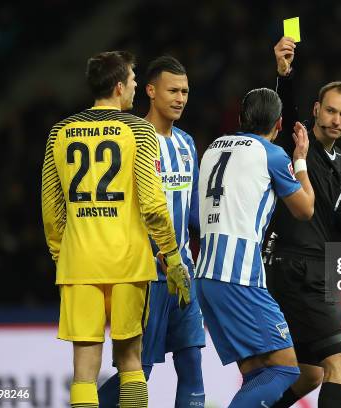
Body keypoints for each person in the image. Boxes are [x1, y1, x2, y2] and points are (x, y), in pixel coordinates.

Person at [41, 50, 190, 408]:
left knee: (83, 371)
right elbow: (154, 205)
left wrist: (64, 257)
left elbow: (51, 210)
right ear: (120, 86)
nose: (137, 88)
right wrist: (172, 258)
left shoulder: (60, 132)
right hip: (127, 263)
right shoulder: (138, 130)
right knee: (130, 363)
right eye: (135, 82)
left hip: (79, 264)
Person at [267, 37, 341, 408]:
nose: (336, 120)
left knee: (310, 374)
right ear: (316, 110)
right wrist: (285, 72)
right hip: (292, 266)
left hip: (310, 268)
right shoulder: (295, 143)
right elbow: (285, 110)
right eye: (330, 111)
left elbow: (331, 216)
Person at [195, 88, 316, 407]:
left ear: (240, 118)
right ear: (278, 125)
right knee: (286, 370)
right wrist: (300, 161)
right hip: (240, 276)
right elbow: (305, 210)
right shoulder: (273, 155)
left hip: (205, 275)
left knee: (256, 374)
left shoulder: (212, 148)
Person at [98, 54, 205, 408]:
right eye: (172, 90)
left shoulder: (188, 144)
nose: (180, 98)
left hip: (182, 274)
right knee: (138, 372)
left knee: (192, 366)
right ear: (150, 91)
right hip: (143, 276)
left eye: (185, 91)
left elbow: (193, 216)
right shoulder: (130, 139)